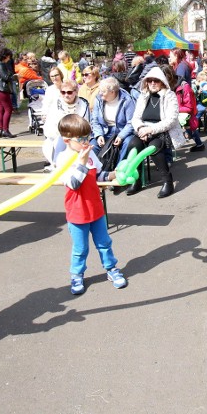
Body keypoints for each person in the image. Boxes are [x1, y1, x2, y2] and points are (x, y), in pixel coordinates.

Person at [56, 114, 126, 296]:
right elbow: (73, 184)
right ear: (67, 140)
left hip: (96, 208)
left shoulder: (90, 153)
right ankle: (77, 274)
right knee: (80, 248)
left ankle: (111, 269)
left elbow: (98, 176)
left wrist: (113, 176)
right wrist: (81, 162)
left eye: (88, 137)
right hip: (77, 212)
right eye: (81, 139)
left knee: (104, 243)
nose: (87, 142)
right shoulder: (63, 159)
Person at [124, 66, 185, 198]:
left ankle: (167, 181)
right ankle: (137, 179)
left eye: (155, 81)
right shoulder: (143, 96)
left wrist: (150, 129)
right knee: (133, 145)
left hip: (162, 131)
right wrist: (141, 129)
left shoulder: (170, 96)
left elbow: (171, 120)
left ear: (162, 82)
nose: (152, 83)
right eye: (149, 80)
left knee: (154, 148)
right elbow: (135, 117)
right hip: (143, 131)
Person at [42, 80, 91, 168]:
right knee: (61, 140)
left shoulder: (83, 105)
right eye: (63, 92)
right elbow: (51, 127)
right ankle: (56, 165)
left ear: (76, 92)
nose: (66, 95)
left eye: (69, 92)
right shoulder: (55, 105)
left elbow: (85, 125)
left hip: (78, 137)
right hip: (59, 136)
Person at [91, 77, 135, 165]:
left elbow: (131, 122)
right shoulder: (98, 100)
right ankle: (96, 170)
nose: (100, 93)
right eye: (100, 90)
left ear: (112, 92)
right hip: (104, 130)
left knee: (128, 143)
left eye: (103, 91)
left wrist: (121, 136)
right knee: (92, 145)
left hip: (122, 130)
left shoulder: (127, 100)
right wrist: (99, 135)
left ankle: (119, 169)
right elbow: (94, 120)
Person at [0, 47, 16, 138]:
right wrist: (12, 74)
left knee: (1, 110)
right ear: (5, 56)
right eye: (9, 57)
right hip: (1, 89)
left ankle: (1, 130)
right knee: (8, 109)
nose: (9, 59)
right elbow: (6, 77)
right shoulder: (0, 64)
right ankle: (5, 130)